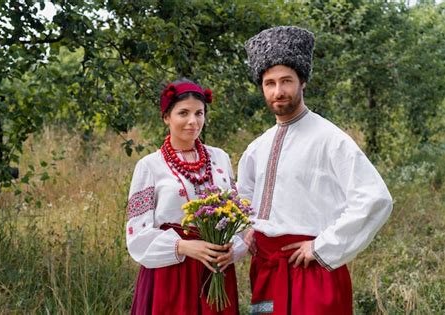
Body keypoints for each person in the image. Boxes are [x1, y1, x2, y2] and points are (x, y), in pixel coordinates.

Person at [237, 26, 393, 314]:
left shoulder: (330, 139)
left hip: (313, 271)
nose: (278, 91)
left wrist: (323, 247)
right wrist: (248, 231)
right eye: (269, 83)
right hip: (268, 272)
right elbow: (243, 201)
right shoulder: (257, 148)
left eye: (286, 81)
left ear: (303, 82)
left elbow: (375, 199)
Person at [126, 78, 245, 315]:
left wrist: (233, 248)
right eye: (183, 113)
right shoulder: (150, 166)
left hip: (215, 270)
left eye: (199, 113)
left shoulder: (219, 158)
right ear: (166, 117)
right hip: (171, 272)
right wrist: (183, 246)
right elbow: (137, 233)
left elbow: (237, 217)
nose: (193, 121)